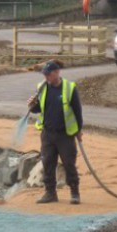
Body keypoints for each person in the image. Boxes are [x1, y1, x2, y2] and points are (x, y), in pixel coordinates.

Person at [27, 60, 84, 205]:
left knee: (69, 163)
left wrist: (79, 130)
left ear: (56, 73)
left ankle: (74, 192)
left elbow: (77, 111)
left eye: (48, 74)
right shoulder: (42, 87)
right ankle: (50, 193)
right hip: (47, 133)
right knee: (47, 163)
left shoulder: (69, 88)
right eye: (44, 74)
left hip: (65, 134)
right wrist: (32, 106)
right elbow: (39, 109)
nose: (45, 77)